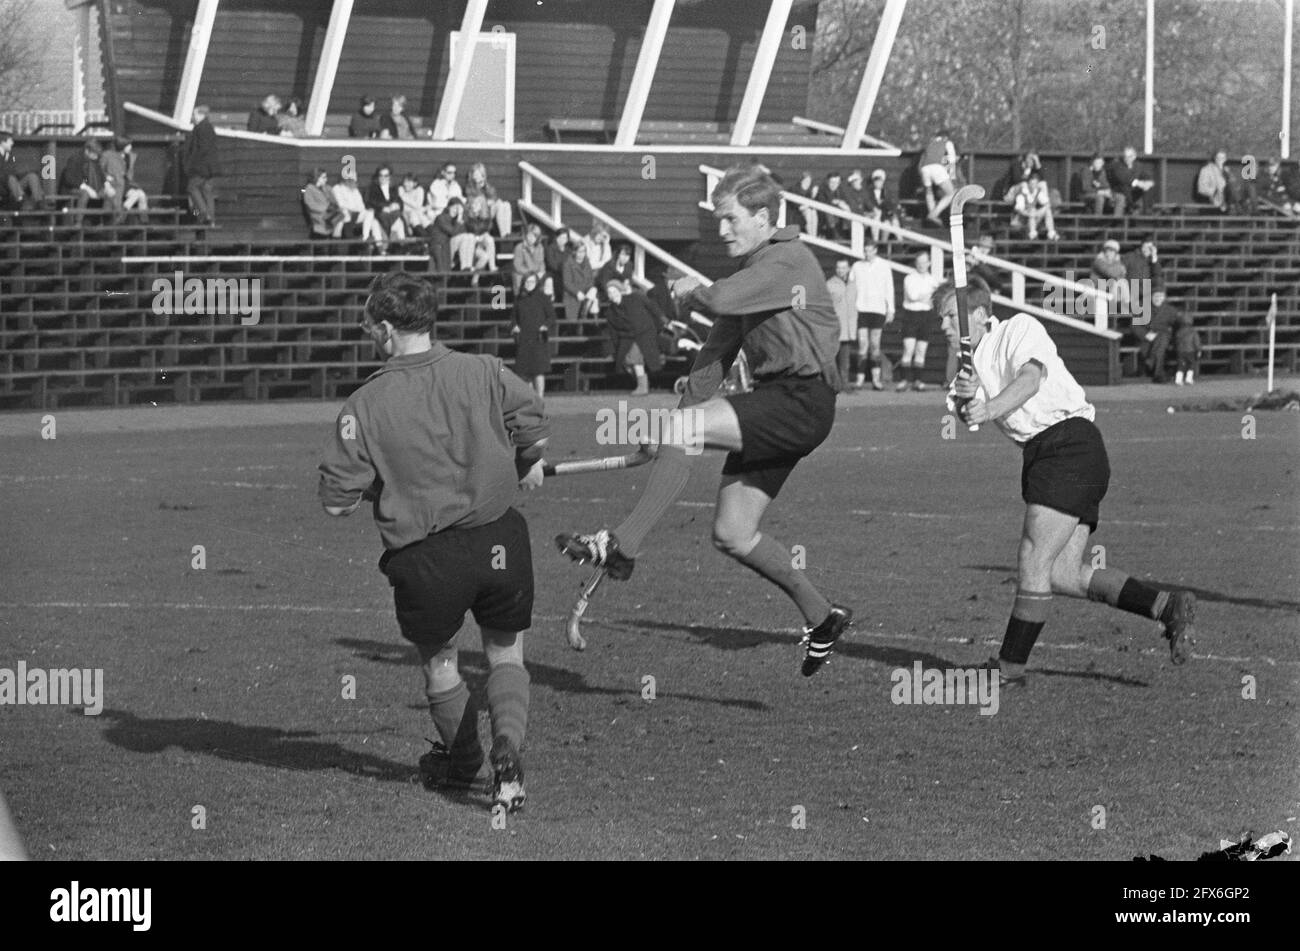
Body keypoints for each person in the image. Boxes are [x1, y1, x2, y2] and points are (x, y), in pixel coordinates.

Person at [555, 164, 852, 677]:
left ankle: (621, 545)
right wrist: (675, 429)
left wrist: (690, 288)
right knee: (733, 534)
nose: (722, 230)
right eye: (718, 220)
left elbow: (715, 299)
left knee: (688, 436)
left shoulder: (787, 260)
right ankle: (823, 616)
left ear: (762, 217)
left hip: (802, 401)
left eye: (731, 219)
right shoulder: (752, 277)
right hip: (780, 401)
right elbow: (711, 362)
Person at [319, 272, 549, 812]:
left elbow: (335, 502)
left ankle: (463, 760)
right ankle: (509, 751)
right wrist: (525, 462)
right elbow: (533, 429)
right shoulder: (486, 370)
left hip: (425, 556)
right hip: (499, 539)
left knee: (442, 663)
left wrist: (379, 485)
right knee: (505, 654)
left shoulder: (364, 404)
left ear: (383, 329)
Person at [942, 278, 1197, 687]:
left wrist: (986, 405)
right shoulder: (963, 368)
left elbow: (1030, 380)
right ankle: (1167, 606)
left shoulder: (1018, 328)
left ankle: (1007, 670)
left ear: (977, 314)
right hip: (1046, 454)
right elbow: (968, 416)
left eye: (948, 318)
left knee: (1033, 557)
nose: (943, 327)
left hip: (1069, 443)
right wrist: (968, 401)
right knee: (1061, 573)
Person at [602, 281, 664, 395]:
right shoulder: (610, 312)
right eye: (609, 293)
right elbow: (613, 333)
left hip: (644, 335)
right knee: (625, 363)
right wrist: (616, 348)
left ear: (620, 291)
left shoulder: (635, 298)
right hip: (626, 339)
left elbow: (653, 309)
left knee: (635, 358)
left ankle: (642, 387)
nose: (612, 294)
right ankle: (642, 383)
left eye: (614, 291)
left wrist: (660, 325)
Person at [849, 238, 895, 390]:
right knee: (863, 345)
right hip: (861, 309)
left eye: (870, 250)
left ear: (875, 250)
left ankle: (876, 380)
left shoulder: (884, 266)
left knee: (875, 345)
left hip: (878, 309)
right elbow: (851, 287)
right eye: (865, 250)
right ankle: (859, 379)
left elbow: (889, 288)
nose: (867, 253)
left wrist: (891, 309)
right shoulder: (857, 266)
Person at [897, 250, 937, 391]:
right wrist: (929, 293)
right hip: (911, 315)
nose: (922, 265)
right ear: (916, 263)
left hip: (926, 316)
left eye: (924, 262)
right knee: (909, 349)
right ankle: (903, 380)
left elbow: (933, 300)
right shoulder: (909, 278)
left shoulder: (932, 280)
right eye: (919, 262)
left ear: (929, 263)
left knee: (921, 350)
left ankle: (917, 381)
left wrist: (928, 295)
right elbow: (913, 296)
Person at [511, 272, 554, 396]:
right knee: (524, 372)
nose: (529, 284)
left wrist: (545, 325)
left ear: (536, 283)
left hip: (538, 338)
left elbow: (552, 317)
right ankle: (528, 400)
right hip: (524, 338)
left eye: (532, 282)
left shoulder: (543, 298)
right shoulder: (519, 298)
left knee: (538, 371)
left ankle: (539, 398)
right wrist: (514, 326)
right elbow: (513, 318)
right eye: (527, 282)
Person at [183, 105, 221, 225]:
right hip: (209, 167)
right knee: (206, 191)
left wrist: (190, 164)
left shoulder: (201, 128)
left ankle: (204, 215)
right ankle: (209, 220)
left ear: (201, 115)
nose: (192, 117)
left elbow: (201, 149)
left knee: (192, 188)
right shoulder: (207, 127)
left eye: (194, 114)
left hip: (201, 167)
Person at [331, 168, 383, 246]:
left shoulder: (355, 190)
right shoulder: (337, 188)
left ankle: (366, 238)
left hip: (357, 215)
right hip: (345, 216)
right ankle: (375, 245)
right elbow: (340, 204)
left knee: (372, 216)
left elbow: (361, 206)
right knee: (372, 220)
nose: (355, 181)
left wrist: (356, 209)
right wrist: (353, 208)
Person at [826, 258, 857, 389]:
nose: (841, 270)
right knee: (833, 357)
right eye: (838, 267)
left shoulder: (853, 285)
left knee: (845, 359)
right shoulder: (830, 284)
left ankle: (845, 383)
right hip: (835, 326)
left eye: (843, 267)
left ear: (848, 268)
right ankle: (833, 383)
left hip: (848, 327)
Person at [59, 138, 104, 226]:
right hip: (70, 188)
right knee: (85, 193)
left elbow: (85, 178)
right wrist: (85, 187)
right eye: (94, 154)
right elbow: (69, 179)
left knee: (100, 192)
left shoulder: (89, 161)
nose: (96, 157)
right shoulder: (75, 159)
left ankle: (98, 222)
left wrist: (87, 185)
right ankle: (78, 222)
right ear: (87, 151)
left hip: (80, 187)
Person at [1007, 170, 1058, 241]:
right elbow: (1019, 210)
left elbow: (1047, 203)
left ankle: (1051, 233)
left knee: (1047, 211)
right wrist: (1031, 213)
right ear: (1028, 183)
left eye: (1035, 184)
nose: (1033, 186)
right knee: (1032, 210)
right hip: (1020, 220)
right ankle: (1032, 234)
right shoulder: (1022, 193)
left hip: (1032, 218)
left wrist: (1040, 212)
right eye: (1032, 184)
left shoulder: (1037, 191)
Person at [919, 131, 957, 225]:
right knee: (951, 193)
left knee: (929, 191)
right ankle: (934, 214)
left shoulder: (929, 144)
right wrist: (952, 176)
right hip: (936, 167)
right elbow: (952, 159)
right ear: (945, 137)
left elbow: (922, 160)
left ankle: (932, 215)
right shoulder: (947, 142)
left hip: (924, 169)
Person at [0, 131, 44, 210]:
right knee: (10, 178)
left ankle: (39, 202)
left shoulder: (9, 155)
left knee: (32, 176)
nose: (12, 143)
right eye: (10, 141)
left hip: (13, 187)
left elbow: (13, 171)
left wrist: (26, 172)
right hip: (3, 189)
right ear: (3, 142)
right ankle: (21, 200)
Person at [366, 165, 407, 247]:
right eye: (381, 175)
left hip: (392, 215)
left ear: (390, 177)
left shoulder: (394, 188)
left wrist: (397, 205)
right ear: (377, 176)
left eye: (386, 175)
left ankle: (400, 248)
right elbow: (370, 202)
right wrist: (383, 207)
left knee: (399, 221)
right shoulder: (372, 188)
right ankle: (385, 247)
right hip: (380, 215)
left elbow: (399, 202)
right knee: (378, 223)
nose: (383, 178)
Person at [1141, 289, 1177, 383]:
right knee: (1160, 347)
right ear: (1151, 297)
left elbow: (1175, 325)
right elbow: (1134, 325)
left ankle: (1152, 362)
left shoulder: (1171, 310)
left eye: (1160, 296)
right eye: (1155, 296)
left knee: (1162, 340)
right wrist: (1146, 334)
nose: (1157, 299)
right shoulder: (1144, 308)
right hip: (1148, 336)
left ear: (1164, 297)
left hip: (1164, 336)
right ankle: (1158, 374)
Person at [430, 197, 475, 271]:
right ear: (448, 207)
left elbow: (464, 232)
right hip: (443, 245)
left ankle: (467, 265)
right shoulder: (441, 218)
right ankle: (464, 266)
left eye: (458, 209)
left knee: (470, 236)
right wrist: (459, 218)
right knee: (465, 237)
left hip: (454, 245)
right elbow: (452, 232)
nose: (456, 211)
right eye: (454, 208)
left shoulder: (458, 220)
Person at [466, 162, 511, 237]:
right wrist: (486, 201)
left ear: (483, 175)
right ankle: (504, 235)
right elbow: (473, 200)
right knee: (497, 203)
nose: (476, 176)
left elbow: (494, 198)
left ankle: (506, 233)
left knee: (506, 204)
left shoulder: (488, 186)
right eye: (474, 174)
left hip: (490, 210)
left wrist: (485, 186)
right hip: (478, 213)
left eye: (478, 174)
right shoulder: (469, 187)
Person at [1107, 146, 1154, 216]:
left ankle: (1147, 212)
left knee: (1148, 188)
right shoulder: (1117, 165)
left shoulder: (1138, 165)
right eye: (1125, 156)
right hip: (1120, 191)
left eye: (1129, 156)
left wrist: (1149, 183)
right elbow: (1123, 179)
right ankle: (1129, 210)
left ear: (1134, 156)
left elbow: (1147, 177)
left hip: (1133, 192)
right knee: (1124, 187)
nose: (1127, 158)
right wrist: (1138, 183)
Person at [302, 168, 345, 238]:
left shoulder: (327, 188)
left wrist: (332, 203)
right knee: (337, 220)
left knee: (342, 216)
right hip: (319, 215)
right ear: (317, 177)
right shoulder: (309, 189)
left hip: (330, 213)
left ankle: (335, 241)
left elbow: (334, 201)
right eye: (323, 177)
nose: (326, 179)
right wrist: (325, 208)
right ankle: (334, 240)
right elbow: (310, 205)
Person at [862, 168, 900, 244]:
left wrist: (889, 212)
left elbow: (892, 205)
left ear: (883, 181)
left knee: (891, 223)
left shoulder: (887, 192)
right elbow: (867, 205)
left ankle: (893, 243)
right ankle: (876, 243)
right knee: (878, 220)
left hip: (885, 216)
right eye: (876, 181)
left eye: (880, 181)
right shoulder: (868, 192)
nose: (878, 183)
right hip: (872, 216)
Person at [562, 240, 599, 319]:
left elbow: (590, 279)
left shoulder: (587, 262)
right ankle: (583, 314)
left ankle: (585, 311)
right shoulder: (568, 264)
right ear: (574, 252)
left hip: (586, 293)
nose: (581, 254)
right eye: (579, 251)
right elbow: (567, 283)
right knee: (573, 321)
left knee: (594, 291)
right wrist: (577, 293)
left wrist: (588, 290)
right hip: (573, 295)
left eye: (583, 251)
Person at [463, 193, 497, 275]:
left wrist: (481, 236)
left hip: (480, 243)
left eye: (477, 204)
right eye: (473, 203)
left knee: (490, 239)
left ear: (482, 206)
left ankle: (492, 266)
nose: (474, 205)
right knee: (484, 256)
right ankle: (474, 278)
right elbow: (473, 229)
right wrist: (480, 236)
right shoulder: (467, 216)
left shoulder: (485, 217)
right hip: (469, 246)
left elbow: (486, 228)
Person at [512, 223, 546, 294]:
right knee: (523, 280)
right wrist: (530, 274)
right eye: (530, 235)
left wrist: (541, 272)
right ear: (526, 235)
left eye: (534, 236)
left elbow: (541, 263)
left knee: (546, 280)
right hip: (523, 274)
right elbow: (518, 266)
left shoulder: (540, 247)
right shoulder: (519, 247)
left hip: (536, 274)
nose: (531, 238)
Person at [398, 171, 432, 236]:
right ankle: (428, 237)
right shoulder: (401, 189)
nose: (406, 184)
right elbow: (405, 208)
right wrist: (422, 208)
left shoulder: (419, 190)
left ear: (415, 183)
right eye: (405, 181)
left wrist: (403, 197)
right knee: (415, 213)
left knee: (416, 214)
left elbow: (418, 205)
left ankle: (428, 236)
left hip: (417, 217)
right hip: (406, 216)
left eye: (409, 182)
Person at [1172, 309, 1200, 386]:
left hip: (1180, 351)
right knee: (1191, 365)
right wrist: (1198, 350)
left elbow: (1176, 342)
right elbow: (1196, 342)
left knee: (1180, 365)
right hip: (1190, 351)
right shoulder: (1193, 331)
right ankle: (1188, 379)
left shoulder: (1178, 332)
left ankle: (1178, 380)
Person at [792, 169, 818, 236]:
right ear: (801, 181)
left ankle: (814, 236)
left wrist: (813, 195)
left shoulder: (811, 190)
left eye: (809, 181)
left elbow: (813, 204)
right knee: (809, 212)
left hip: (807, 209)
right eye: (806, 181)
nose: (808, 183)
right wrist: (809, 203)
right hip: (796, 211)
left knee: (813, 212)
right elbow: (799, 207)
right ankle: (812, 237)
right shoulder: (796, 189)